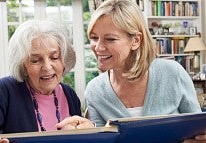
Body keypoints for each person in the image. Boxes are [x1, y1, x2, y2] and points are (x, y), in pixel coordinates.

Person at [84, 0, 206, 142]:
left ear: (135, 40)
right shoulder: (95, 90)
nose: (98, 47)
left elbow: (198, 132)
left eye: (110, 39)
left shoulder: (173, 73)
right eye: (94, 38)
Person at [0, 20, 94, 143]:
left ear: (63, 60)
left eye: (54, 57)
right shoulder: (5, 90)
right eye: (36, 60)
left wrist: (90, 133)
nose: (47, 67)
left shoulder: (69, 95)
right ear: (23, 66)